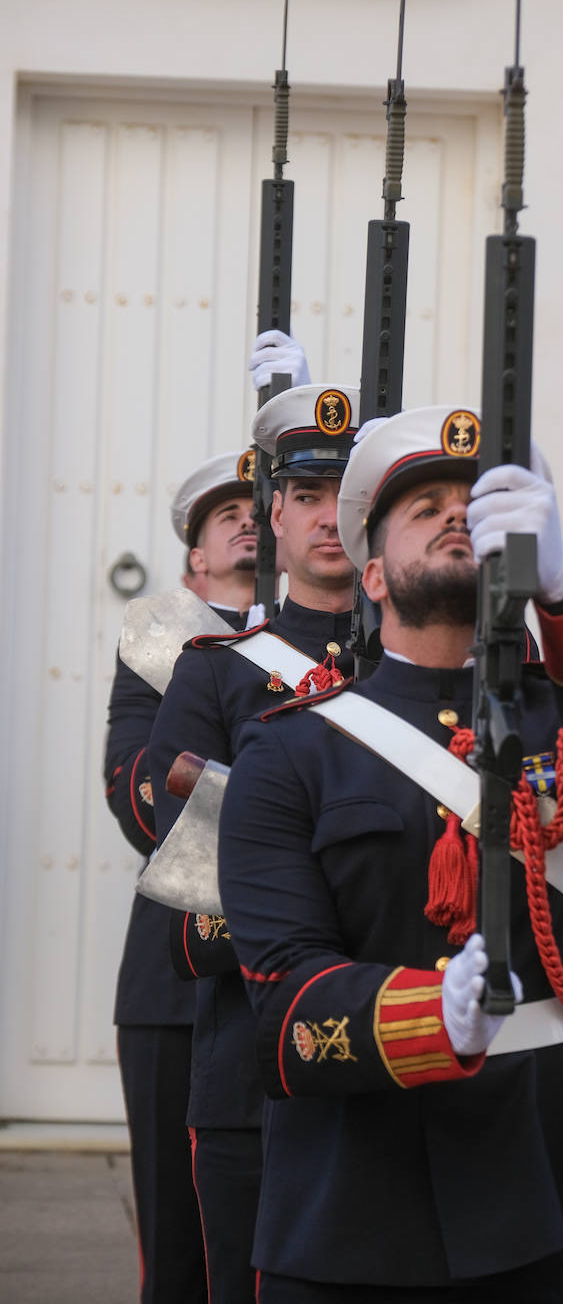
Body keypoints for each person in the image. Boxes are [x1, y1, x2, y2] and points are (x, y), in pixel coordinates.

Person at [217, 404, 563, 1302]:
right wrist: (431, 1013)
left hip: (538, 1183)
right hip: (352, 1202)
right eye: (423, 503)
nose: (453, 512)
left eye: (474, 501)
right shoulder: (291, 751)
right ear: (371, 574)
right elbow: (284, 1008)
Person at [147, 382, 360, 1304]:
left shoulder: (425, 672)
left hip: (388, 1071)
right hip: (252, 1066)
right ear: (273, 512)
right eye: (307, 497)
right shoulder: (216, 676)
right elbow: (199, 902)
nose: (327, 520)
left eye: (346, 499)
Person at [105, 449, 262, 1304]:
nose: (247, 519)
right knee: (177, 1240)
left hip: (303, 969)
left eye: (259, 505)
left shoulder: (338, 639)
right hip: (176, 978)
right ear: (193, 557)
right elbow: (138, 798)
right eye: (222, 513)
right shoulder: (155, 641)